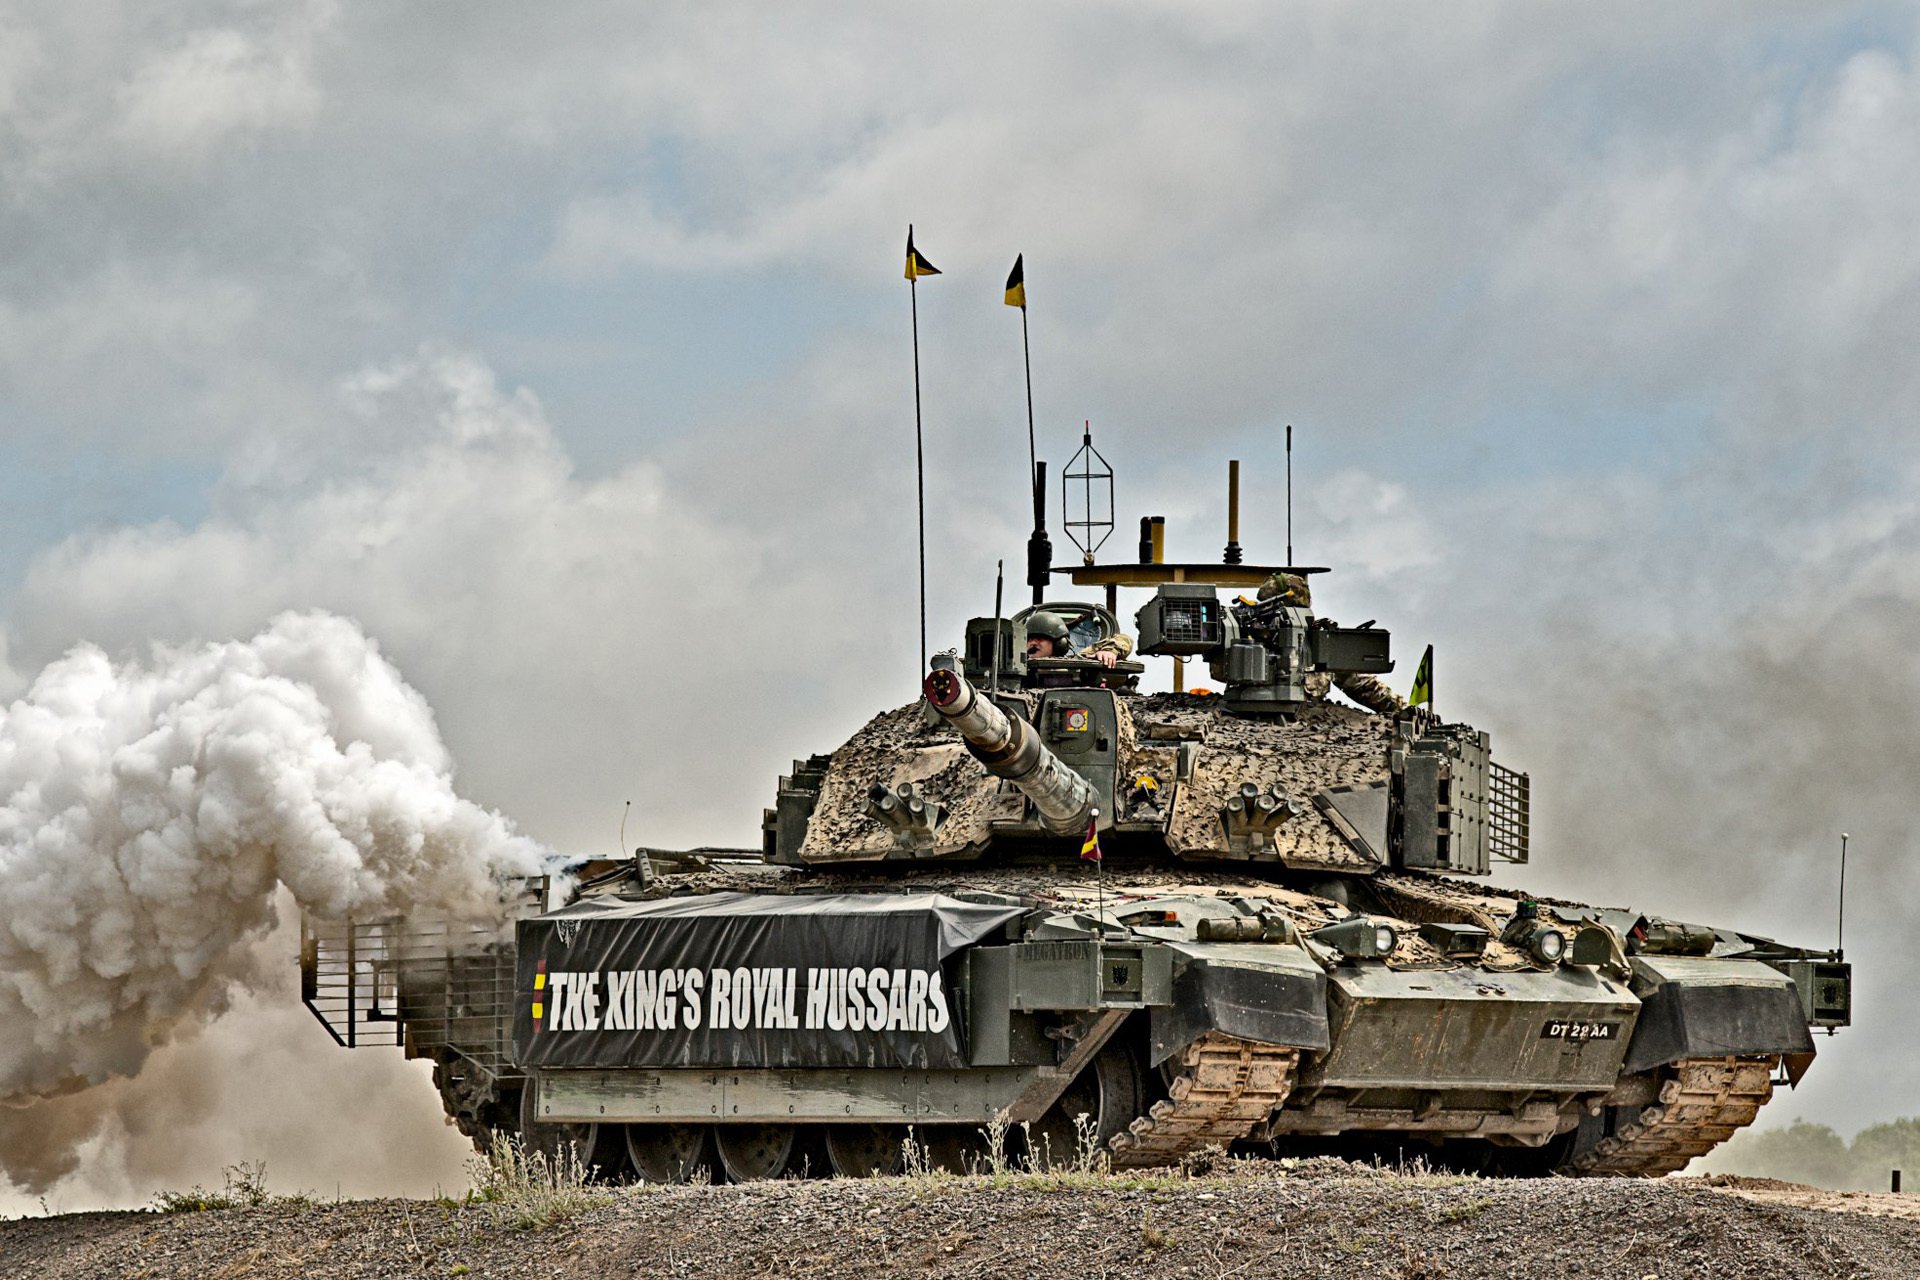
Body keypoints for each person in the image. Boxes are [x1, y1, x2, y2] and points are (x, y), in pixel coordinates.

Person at [1256, 572, 1406, 716]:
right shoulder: (1247, 637)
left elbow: (1364, 686)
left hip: (1308, 725)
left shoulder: (1321, 643)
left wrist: (1404, 711)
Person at [1024, 610, 1134, 669]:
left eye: (1040, 638)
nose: (1033, 643)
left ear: (1059, 643)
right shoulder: (1014, 668)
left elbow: (1124, 639)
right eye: (1029, 639)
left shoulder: (1077, 662)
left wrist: (1109, 651)